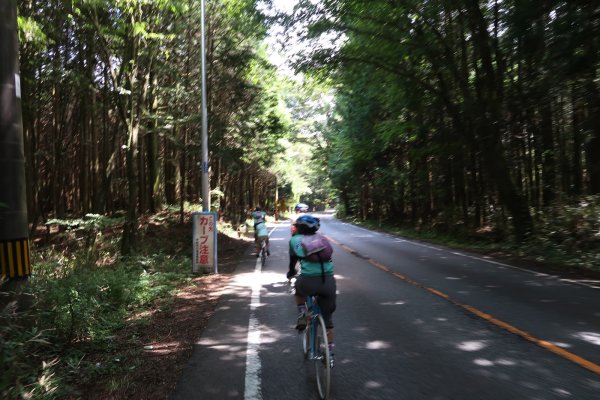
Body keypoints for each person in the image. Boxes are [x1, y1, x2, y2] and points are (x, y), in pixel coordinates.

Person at [287, 214, 336, 366]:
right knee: (328, 321)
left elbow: (293, 261)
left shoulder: (295, 240)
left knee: (298, 290)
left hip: (308, 281)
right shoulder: (322, 239)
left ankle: (302, 313)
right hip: (328, 281)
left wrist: (291, 272)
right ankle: (329, 352)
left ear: (298, 228)